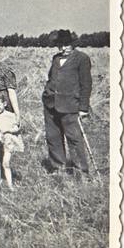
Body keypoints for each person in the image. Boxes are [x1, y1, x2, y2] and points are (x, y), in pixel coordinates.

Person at [42, 29, 93, 174]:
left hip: (70, 105)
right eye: (59, 45)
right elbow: (51, 77)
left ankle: (80, 170)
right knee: (53, 137)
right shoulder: (56, 58)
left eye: (65, 45)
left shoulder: (82, 58)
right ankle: (58, 167)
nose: (62, 48)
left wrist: (83, 107)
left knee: (74, 138)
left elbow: (86, 84)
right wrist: (47, 93)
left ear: (72, 44)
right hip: (50, 104)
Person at [0, 94, 24, 190]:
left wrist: (8, 130)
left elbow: (17, 129)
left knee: (6, 163)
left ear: (5, 104)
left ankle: (10, 184)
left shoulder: (11, 116)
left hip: (8, 142)